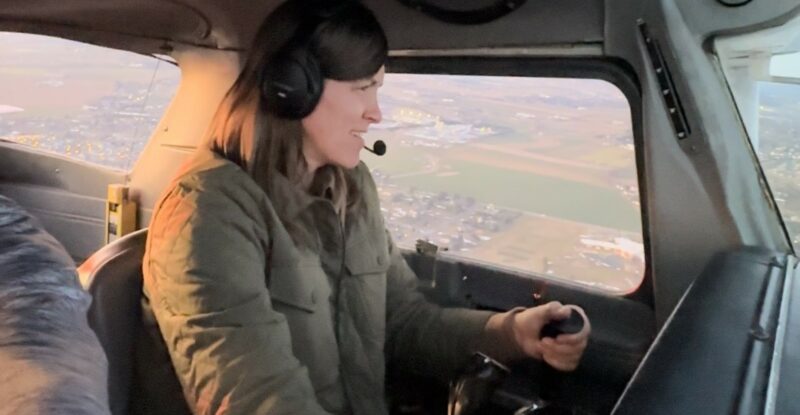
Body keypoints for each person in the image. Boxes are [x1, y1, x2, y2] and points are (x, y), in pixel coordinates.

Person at [141, 1, 591, 414]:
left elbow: (402, 322)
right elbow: (257, 401)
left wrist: (512, 333)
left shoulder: (349, 188)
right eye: (362, 88)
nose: (375, 113)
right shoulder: (207, 214)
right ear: (291, 88)